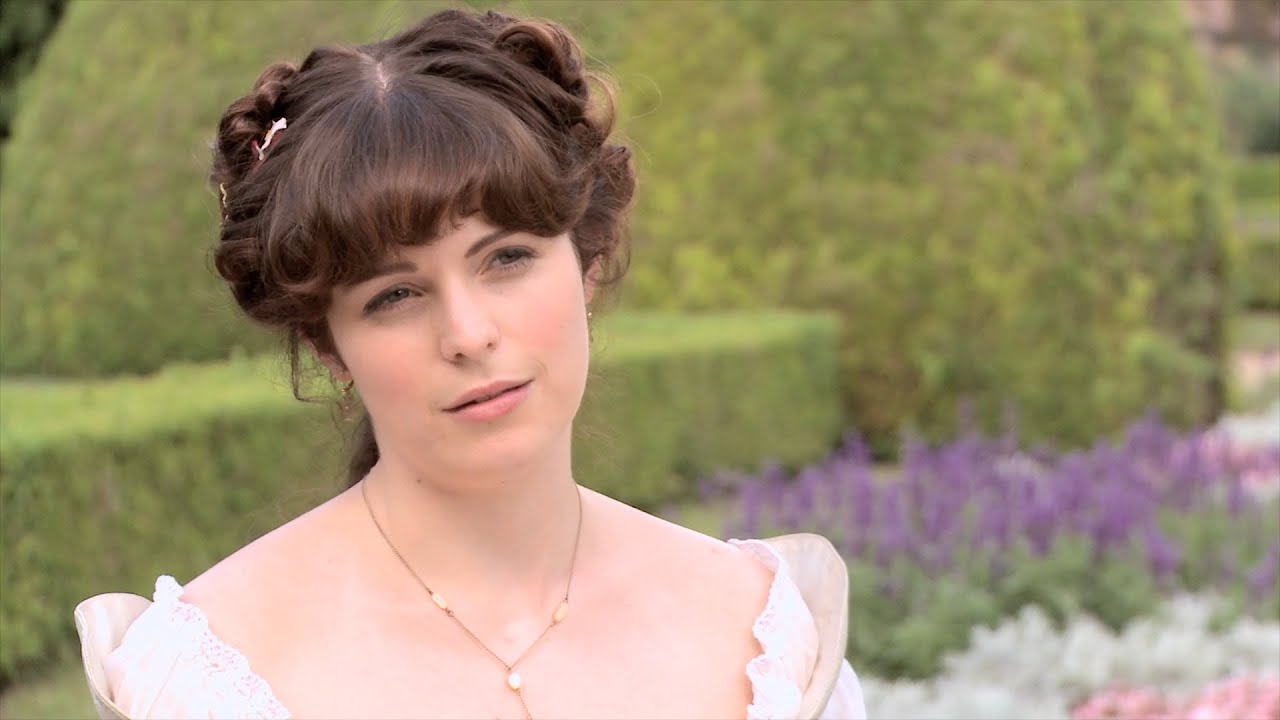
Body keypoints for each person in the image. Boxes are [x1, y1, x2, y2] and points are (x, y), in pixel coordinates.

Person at [72, 8, 865, 719]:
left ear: (587, 262)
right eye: (394, 295)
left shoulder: (760, 635)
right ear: (326, 345)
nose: (468, 332)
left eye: (507, 257)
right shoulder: (208, 675)